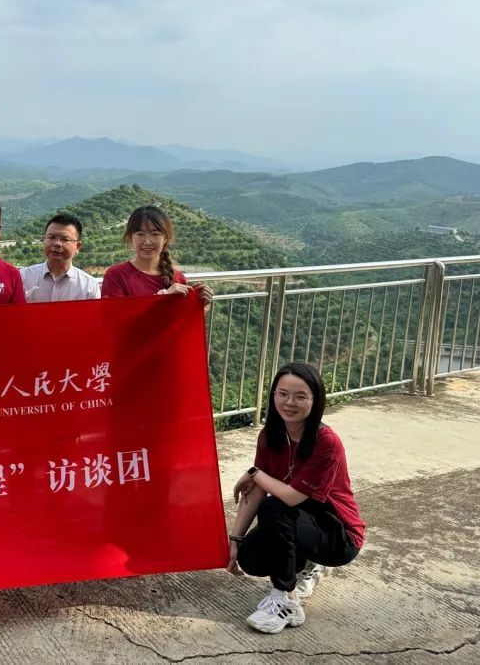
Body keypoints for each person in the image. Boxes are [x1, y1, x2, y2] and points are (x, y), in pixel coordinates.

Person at [227, 362, 365, 634]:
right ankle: (306, 563)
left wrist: (254, 472)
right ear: (273, 396)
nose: (289, 403)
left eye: (300, 396)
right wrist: (235, 540)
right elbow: (256, 489)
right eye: (282, 394)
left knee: (274, 507)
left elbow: (290, 497)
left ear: (316, 401)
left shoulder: (326, 442)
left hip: (338, 534)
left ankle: (285, 599)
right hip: (299, 522)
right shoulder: (270, 436)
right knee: (250, 558)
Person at [100, 204, 213, 304]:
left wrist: (199, 304)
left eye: (155, 234)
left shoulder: (178, 278)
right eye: (140, 234)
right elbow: (114, 318)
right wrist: (163, 296)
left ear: (165, 238)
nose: (147, 241)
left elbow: (180, 319)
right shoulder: (116, 276)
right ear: (130, 237)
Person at [20, 212, 100, 302]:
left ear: (77, 247)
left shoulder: (89, 286)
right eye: (51, 237)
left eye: (65, 239)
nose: (57, 243)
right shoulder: (23, 277)